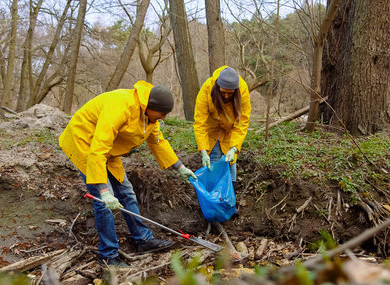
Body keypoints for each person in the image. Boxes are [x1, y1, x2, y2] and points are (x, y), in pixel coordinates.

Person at [59, 81, 197, 267]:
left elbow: (158, 142)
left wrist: (180, 167)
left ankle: (143, 240)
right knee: (104, 203)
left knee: (126, 192)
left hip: (109, 148)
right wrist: (103, 190)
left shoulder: (149, 117)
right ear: (149, 107)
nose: (164, 118)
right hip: (85, 144)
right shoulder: (121, 107)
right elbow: (97, 150)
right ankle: (108, 255)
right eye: (162, 113)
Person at [193, 66, 251, 214]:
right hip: (212, 129)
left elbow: (242, 122)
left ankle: (229, 202)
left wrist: (234, 148)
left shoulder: (243, 91)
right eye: (223, 92)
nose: (226, 96)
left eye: (230, 94)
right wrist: (203, 150)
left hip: (231, 129)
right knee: (213, 162)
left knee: (230, 162)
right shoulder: (207, 88)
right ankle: (213, 203)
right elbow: (200, 122)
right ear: (217, 87)